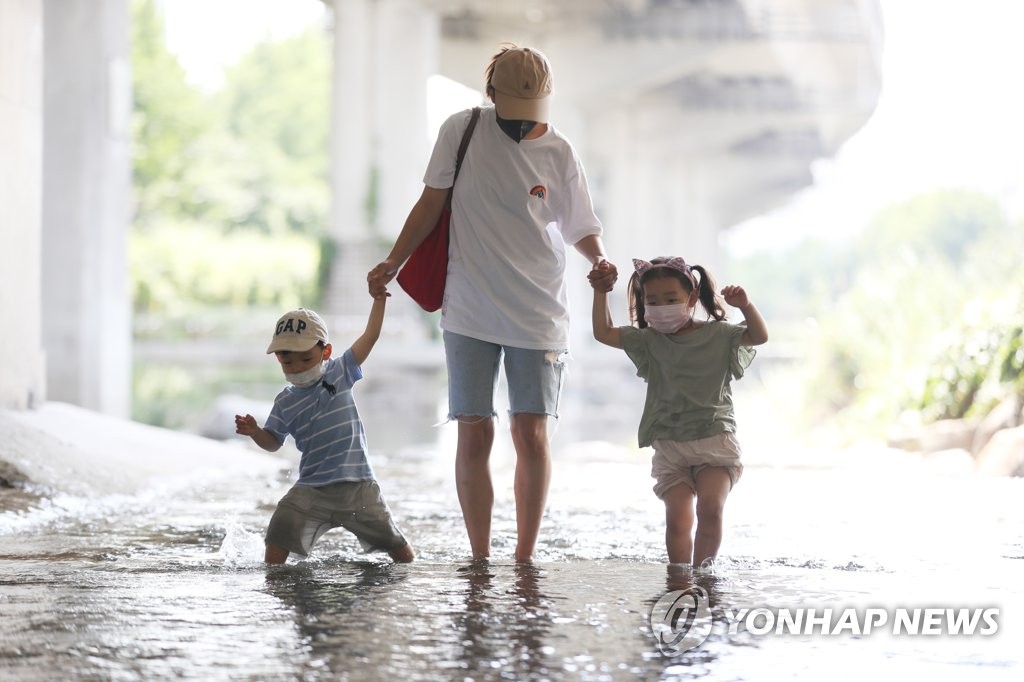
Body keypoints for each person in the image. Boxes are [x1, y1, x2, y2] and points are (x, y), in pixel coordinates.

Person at [367, 43, 617, 563]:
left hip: (538, 308)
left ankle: (524, 556)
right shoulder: (461, 131)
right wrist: (393, 260)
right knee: (474, 429)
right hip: (469, 305)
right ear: (491, 94)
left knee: (532, 432)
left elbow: (581, 226)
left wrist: (599, 260)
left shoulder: (561, 151)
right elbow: (431, 202)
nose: (526, 125)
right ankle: (480, 556)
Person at [590, 256, 768, 567]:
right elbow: (603, 332)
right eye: (653, 301)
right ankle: (679, 581)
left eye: (671, 299)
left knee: (710, 509)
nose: (661, 307)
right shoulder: (647, 341)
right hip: (670, 446)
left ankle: (703, 578)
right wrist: (600, 292)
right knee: (678, 519)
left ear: (692, 298)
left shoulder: (720, 334)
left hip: (714, 440)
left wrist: (745, 306)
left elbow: (759, 336)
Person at [234, 304, 414, 564]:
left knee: (395, 545)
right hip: (313, 488)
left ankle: (413, 576)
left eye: (305, 359)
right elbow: (273, 442)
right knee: (280, 528)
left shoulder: (339, 372)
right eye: (288, 361)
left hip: (358, 486)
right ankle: (274, 585)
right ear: (278, 359)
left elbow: (370, 336)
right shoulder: (284, 402)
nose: (296, 368)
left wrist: (378, 300)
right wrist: (255, 432)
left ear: (326, 351)